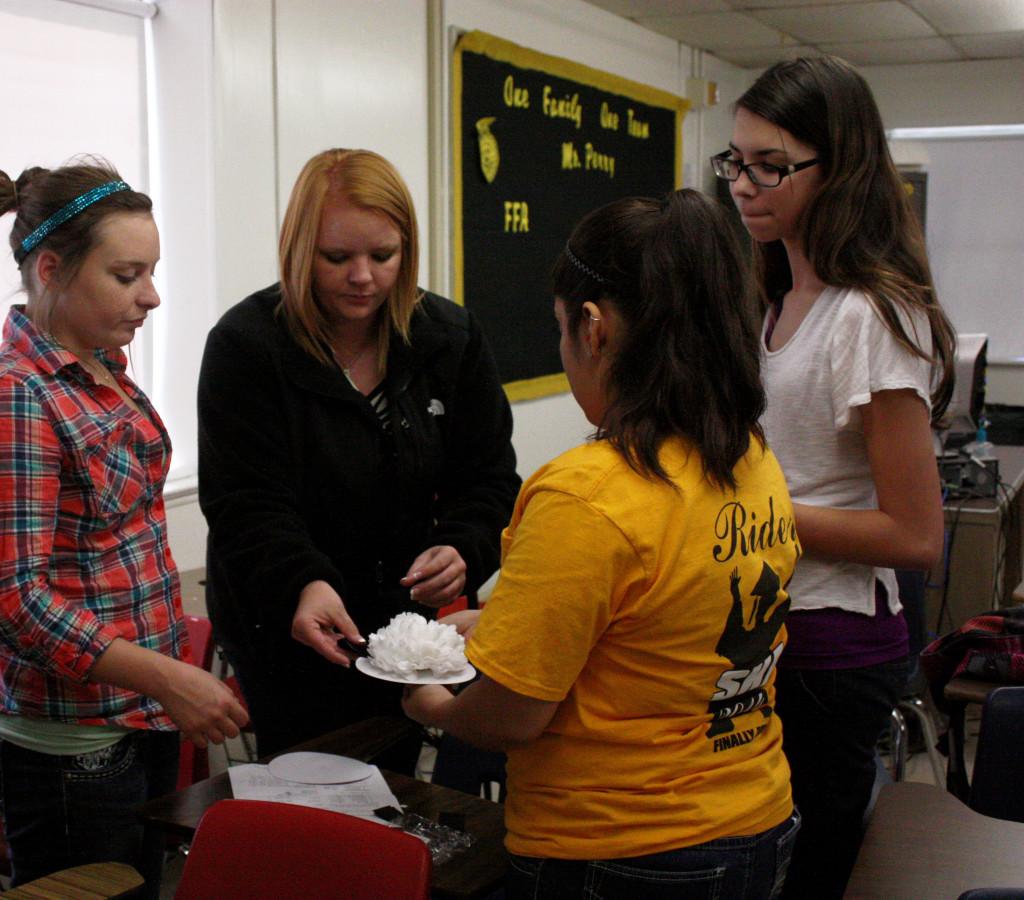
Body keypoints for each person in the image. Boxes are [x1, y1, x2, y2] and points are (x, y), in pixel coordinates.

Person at [403, 189, 802, 899]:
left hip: (622, 849)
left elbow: (511, 715)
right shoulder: (748, 456)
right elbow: (658, 625)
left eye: (560, 329)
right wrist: (501, 627)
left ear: (594, 327)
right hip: (755, 819)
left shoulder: (586, 495)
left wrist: (431, 705)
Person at [714, 56, 956, 898]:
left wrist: (748, 510)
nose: (745, 185)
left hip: (832, 648)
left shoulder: (871, 317)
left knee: (809, 873)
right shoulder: (775, 296)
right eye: (736, 161)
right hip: (764, 625)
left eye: (772, 165)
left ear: (841, 167)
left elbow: (917, 536)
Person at [197, 148, 520, 767]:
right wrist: (302, 582)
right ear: (299, 251)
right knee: (308, 787)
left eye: (383, 256)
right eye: (337, 258)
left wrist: (464, 547)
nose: (364, 277)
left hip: (398, 630)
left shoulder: (447, 338)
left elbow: (490, 480)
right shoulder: (247, 345)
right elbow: (246, 502)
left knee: (389, 784)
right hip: (285, 625)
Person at [0, 161, 247, 895]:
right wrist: (168, 675)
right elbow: (16, 600)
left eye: (152, 271)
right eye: (127, 274)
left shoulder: (102, 363)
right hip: (75, 739)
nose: (152, 295)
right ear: (50, 268)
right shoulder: (22, 397)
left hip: (137, 713)